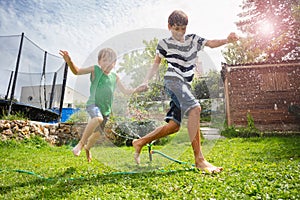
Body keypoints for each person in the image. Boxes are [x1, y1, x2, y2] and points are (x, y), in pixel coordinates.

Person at [132, 10, 239, 173]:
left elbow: (210, 43)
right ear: (169, 27)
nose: (180, 33)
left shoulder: (193, 40)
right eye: (177, 29)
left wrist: (227, 40)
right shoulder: (164, 43)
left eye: (183, 29)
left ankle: (139, 142)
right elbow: (156, 64)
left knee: (174, 126)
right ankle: (200, 160)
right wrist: (146, 80)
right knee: (195, 109)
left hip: (185, 85)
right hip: (173, 80)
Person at [59, 48, 145, 162]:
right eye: (104, 60)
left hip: (106, 111)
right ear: (99, 62)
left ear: (114, 64)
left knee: (97, 135)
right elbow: (77, 71)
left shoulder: (115, 77)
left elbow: (125, 91)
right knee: (97, 118)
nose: (108, 63)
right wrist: (69, 61)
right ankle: (80, 144)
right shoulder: (95, 70)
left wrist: (137, 90)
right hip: (93, 104)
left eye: (111, 61)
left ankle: (87, 148)